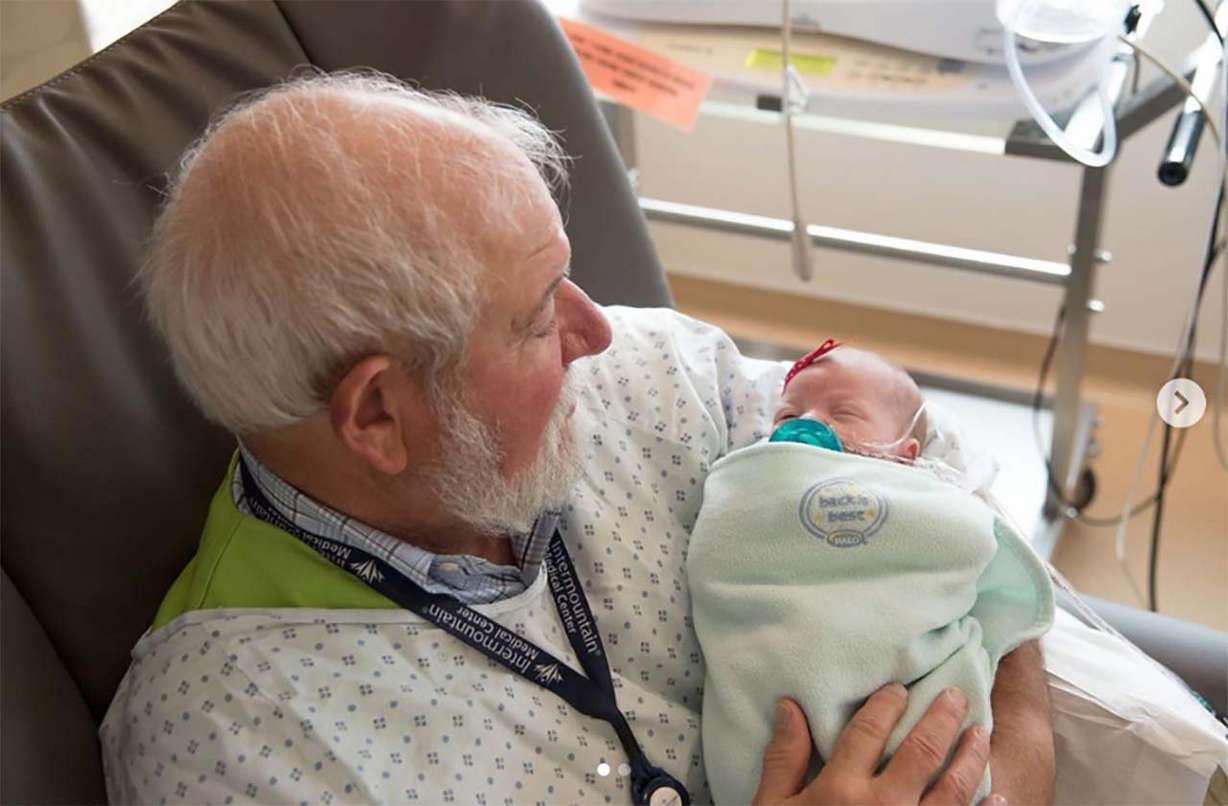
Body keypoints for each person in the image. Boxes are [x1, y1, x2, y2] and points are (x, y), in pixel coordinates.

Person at [100, 71, 1054, 805]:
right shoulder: (238, 740)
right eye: (533, 319)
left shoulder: (662, 377)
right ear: (379, 416)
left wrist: (1012, 763)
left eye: (564, 273)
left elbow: (942, 485)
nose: (596, 330)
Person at [687, 341, 1055, 804]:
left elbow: (965, 541)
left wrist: (959, 511)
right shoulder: (748, 482)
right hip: (767, 727)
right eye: (787, 414)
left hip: (907, 715)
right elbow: (718, 551)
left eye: (843, 413)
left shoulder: (917, 495)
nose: (808, 422)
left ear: (904, 454)